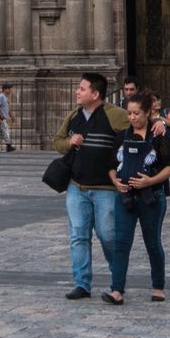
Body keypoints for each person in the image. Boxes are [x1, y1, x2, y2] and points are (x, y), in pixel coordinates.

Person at [105, 92, 170, 304]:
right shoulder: (122, 136)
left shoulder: (159, 135)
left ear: (147, 112)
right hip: (125, 196)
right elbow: (110, 166)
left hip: (151, 196)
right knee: (121, 242)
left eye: (136, 113)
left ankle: (158, 286)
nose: (132, 117)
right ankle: (116, 290)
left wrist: (150, 181)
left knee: (152, 242)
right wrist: (115, 181)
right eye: (129, 113)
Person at [60, 72, 123, 300]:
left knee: (107, 235)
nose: (77, 92)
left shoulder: (116, 116)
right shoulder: (74, 116)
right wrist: (69, 142)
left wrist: (160, 125)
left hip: (106, 188)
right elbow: (57, 141)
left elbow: (139, 123)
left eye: (82, 88)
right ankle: (82, 283)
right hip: (77, 187)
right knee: (78, 235)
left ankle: (117, 279)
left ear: (95, 94)